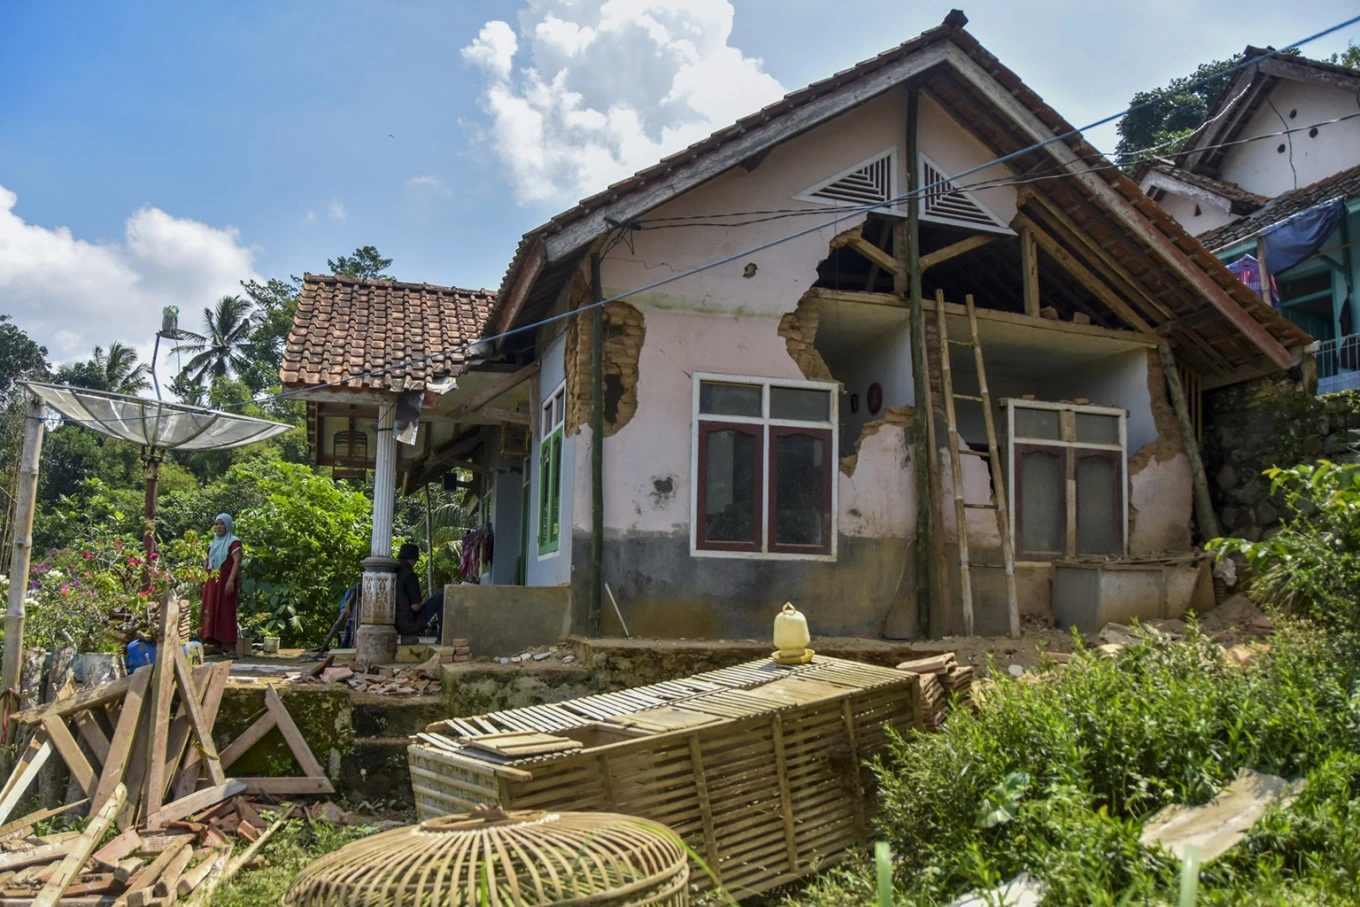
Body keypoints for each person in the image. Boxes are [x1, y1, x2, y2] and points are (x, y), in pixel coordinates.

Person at [200, 513, 243, 653]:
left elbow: (237, 561)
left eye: (222, 524)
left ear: (228, 525)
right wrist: (201, 582)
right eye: (217, 524)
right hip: (212, 583)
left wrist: (231, 580)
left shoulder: (233, 542)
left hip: (225, 582)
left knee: (225, 610)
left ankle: (229, 646)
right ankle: (214, 642)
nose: (219, 527)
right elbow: (207, 564)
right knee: (210, 608)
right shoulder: (212, 545)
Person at [395, 542, 441, 638]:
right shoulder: (410, 575)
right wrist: (424, 602)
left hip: (394, 624)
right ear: (412, 560)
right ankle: (441, 636)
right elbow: (415, 607)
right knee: (440, 596)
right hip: (408, 625)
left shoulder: (393, 572)